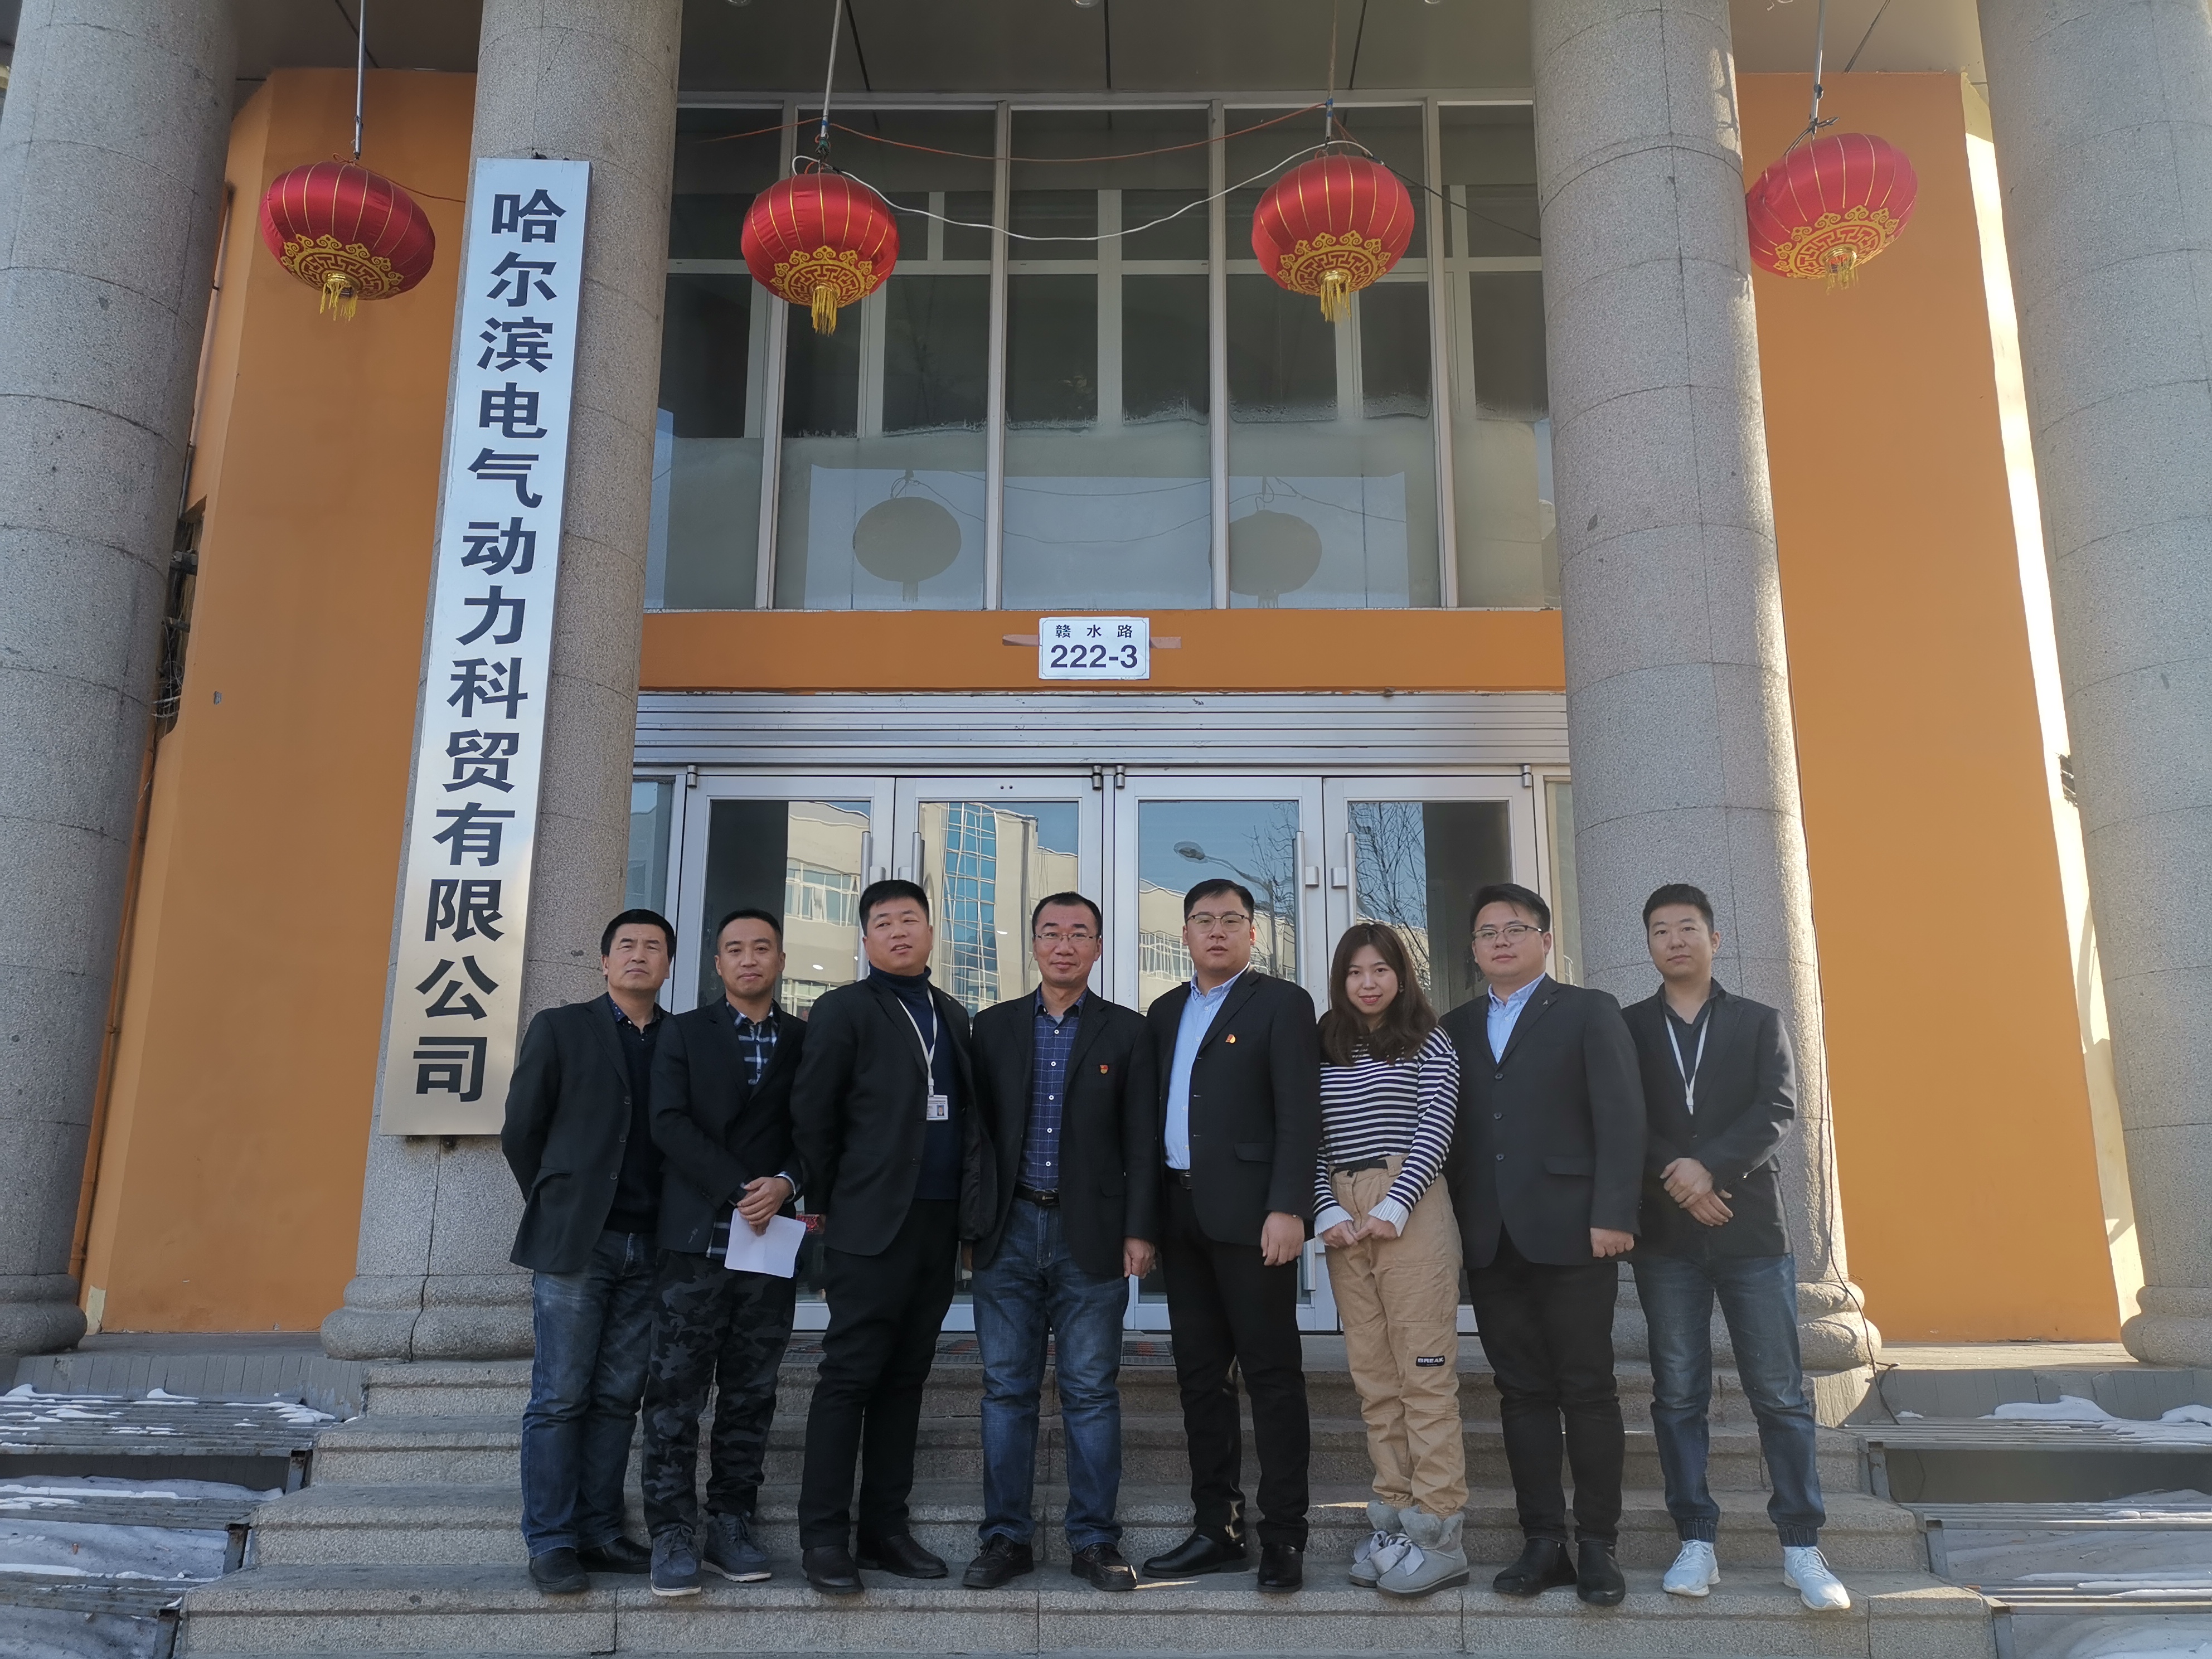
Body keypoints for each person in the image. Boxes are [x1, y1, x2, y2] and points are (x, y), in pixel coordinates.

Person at [1627, 883, 1850, 1613]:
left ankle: (1801, 1545)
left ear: (1713, 939)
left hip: (1750, 1230)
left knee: (1779, 1393)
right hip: (1666, 1239)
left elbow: (1776, 1108)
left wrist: (1711, 1170)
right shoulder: (1629, 1027)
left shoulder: (1758, 1021)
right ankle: (1695, 1538)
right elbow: (1622, 1116)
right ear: (1649, 945)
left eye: (1686, 927)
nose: (1674, 940)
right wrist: (1680, 1175)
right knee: (1678, 1393)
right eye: (1660, 931)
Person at [789, 879, 997, 1595]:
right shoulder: (843, 1008)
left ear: (931, 931)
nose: (899, 932)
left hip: (936, 1225)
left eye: (910, 919)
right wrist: (825, 1207)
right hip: (868, 1224)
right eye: (884, 923)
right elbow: (813, 1114)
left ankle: (884, 1530)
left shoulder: (952, 1013)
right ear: (865, 938)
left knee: (906, 1378)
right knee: (849, 1377)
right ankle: (823, 1537)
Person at [1439, 881, 1643, 1608]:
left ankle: (1598, 1546)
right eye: (1486, 932)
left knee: (1586, 1387)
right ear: (1473, 949)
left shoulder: (1587, 1010)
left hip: (1575, 1231)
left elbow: (1621, 1116)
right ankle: (1543, 1542)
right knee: (1520, 1391)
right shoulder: (1453, 1026)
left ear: (1545, 941)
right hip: (1490, 1237)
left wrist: (1614, 1212)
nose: (1500, 941)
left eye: (1515, 929)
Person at [963, 892, 1158, 1595]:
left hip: (1092, 1235)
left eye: (1079, 934)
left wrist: (1140, 1229)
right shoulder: (991, 1028)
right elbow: (975, 1137)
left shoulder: (1128, 1032)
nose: (1064, 945)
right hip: (1009, 1229)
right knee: (1005, 1390)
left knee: (1090, 1391)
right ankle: (1005, 1538)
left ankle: (1094, 1540)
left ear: (1098, 948)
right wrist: (971, 1227)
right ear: (1033, 944)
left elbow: (1142, 1140)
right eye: (1051, 932)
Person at [1142, 877, 1321, 1593]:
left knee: (1272, 1377)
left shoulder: (1281, 1003)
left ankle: (1284, 1535)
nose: (1215, 930)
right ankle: (1216, 1527)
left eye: (1230, 919)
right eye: (1202, 920)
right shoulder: (1163, 1011)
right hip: (1180, 1216)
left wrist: (1289, 1207)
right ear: (1184, 933)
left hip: (1254, 1219)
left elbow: (1299, 1112)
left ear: (1252, 933)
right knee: (1200, 1380)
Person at [499, 909, 675, 1595]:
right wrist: (558, 1202)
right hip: (578, 1243)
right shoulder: (561, 1028)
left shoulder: (679, 1039)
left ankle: (601, 1531)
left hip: (651, 1243)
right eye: (626, 945)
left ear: (667, 965)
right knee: (560, 1396)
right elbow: (522, 1130)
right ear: (604, 962)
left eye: (653, 947)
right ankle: (550, 1540)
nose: (639, 955)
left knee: (618, 1397)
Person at [639, 909, 808, 1598]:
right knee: (675, 1393)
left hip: (767, 1244)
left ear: (780, 959)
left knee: (751, 1392)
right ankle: (671, 1532)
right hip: (695, 1241)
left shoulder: (804, 1038)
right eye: (734, 949)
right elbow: (667, 1123)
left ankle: (731, 1523)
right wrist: (740, 1187)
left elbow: (820, 1127)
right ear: (717, 964)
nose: (748, 959)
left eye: (761, 948)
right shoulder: (683, 1032)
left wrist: (788, 1181)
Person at [1312, 923, 1467, 1598]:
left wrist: (1396, 1204)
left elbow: (1436, 1124)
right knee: (1374, 1380)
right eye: (1354, 972)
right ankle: (1395, 1519)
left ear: (1401, 975)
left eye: (1379, 969)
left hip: (1410, 1200)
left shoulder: (1428, 1040)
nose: (1367, 983)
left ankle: (1439, 1532)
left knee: (1423, 1377)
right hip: (1345, 1213)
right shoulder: (1324, 1043)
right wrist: (1325, 1208)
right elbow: (1308, 1133)